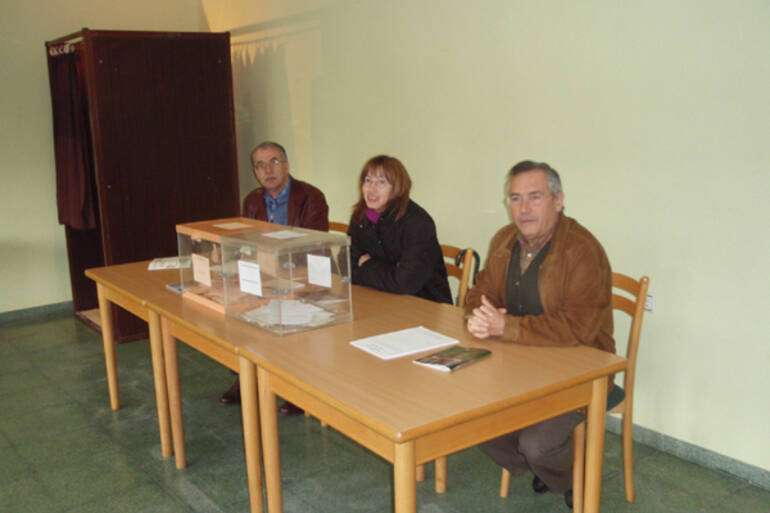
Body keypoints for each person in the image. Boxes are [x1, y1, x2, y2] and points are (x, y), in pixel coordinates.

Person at [464, 160, 614, 510]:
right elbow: (478, 293)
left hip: (582, 369)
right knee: (469, 418)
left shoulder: (582, 250)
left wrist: (507, 327)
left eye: (535, 197)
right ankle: (545, 470)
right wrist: (480, 316)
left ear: (558, 200)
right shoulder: (503, 241)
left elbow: (579, 327)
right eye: (515, 198)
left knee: (537, 444)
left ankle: (570, 478)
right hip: (520, 363)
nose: (524, 208)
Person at [220, 141, 329, 415]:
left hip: (304, 277)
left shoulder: (311, 197)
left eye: (274, 162)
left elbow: (312, 248)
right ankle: (247, 377)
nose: (268, 170)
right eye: (260, 165)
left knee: (285, 310)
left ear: (287, 164)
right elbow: (246, 243)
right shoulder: (252, 201)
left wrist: (273, 270)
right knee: (240, 308)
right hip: (266, 275)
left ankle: (296, 389)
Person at [347, 155, 452, 304]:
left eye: (381, 182)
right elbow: (348, 266)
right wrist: (391, 271)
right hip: (380, 297)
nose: (371, 188)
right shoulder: (361, 216)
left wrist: (367, 264)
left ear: (397, 188)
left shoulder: (418, 223)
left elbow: (405, 282)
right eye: (368, 180)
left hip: (425, 304)